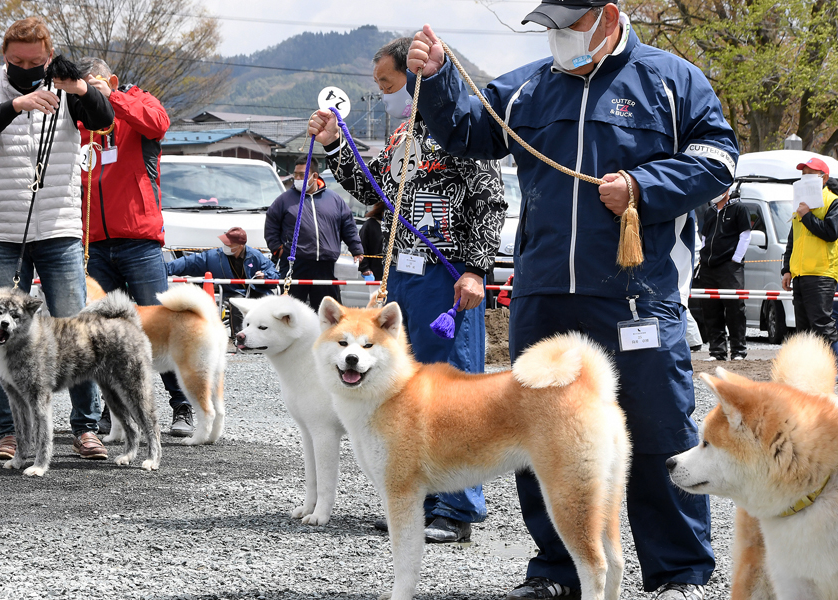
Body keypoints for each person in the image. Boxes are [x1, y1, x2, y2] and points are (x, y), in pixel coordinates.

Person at [407, 0, 738, 597]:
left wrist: (645, 184)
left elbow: (718, 161)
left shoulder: (673, 80)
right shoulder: (530, 87)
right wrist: (434, 80)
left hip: (637, 295)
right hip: (546, 293)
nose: (556, 38)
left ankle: (679, 573)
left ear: (608, 18)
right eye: (549, 28)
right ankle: (558, 570)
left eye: (567, 26)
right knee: (543, 434)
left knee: (660, 428)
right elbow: (464, 131)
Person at [308, 36, 508, 544]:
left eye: (388, 84)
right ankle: (419, 495)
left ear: (418, 77)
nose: (383, 94)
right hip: (404, 277)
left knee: (451, 386)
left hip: (448, 275)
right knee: (407, 391)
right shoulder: (404, 135)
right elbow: (374, 188)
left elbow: (489, 200)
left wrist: (477, 269)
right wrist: (334, 142)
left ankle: (458, 507)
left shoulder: (463, 128)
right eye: (377, 86)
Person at [0, 17, 114, 461]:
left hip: (59, 228)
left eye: (35, 62)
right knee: (0, 331)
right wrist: (19, 104)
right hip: (5, 231)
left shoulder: (69, 90)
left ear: (48, 57)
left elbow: (104, 119)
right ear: (4, 58)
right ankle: (8, 433)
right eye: (16, 61)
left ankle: (85, 428)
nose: (25, 68)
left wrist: (83, 87)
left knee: (76, 328)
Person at [72, 57, 193, 439]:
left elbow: (158, 123)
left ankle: (183, 406)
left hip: (139, 240)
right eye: (81, 88)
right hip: (93, 244)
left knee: (159, 325)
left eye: (93, 85)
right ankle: (112, 412)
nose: (87, 94)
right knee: (104, 334)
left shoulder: (138, 102)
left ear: (111, 80)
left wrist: (113, 99)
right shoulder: (76, 126)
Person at [264, 157, 364, 310]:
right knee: (290, 312)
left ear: (315, 176)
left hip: (326, 265)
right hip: (295, 264)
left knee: (328, 312)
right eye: (295, 174)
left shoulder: (334, 199)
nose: (297, 178)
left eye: (301, 174)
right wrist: (278, 249)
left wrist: (356, 249)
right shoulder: (284, 200)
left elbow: (348, 226)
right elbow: (271, 226)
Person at [166, 226, 280, 336]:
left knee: (266, 302)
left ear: (240, 245)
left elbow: (274, 275)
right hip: (232, 292)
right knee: (237, 303)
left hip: (257, 290)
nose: (225, 245)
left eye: (228, 244)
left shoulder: (256, 256)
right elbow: (189, 262)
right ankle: (239, 339)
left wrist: (265, 276)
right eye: (224, 243)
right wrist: (164, 269)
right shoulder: (213, 256)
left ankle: (267, 338)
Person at [782, 157, 838, 356]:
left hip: (822, 273)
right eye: (803, 174)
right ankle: (808, 370)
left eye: (810, 174)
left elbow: (831, 233)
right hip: (799, 274)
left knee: (822, 325)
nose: (805, 178)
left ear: (824, 178)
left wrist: (807, 216)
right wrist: (787, 269)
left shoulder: (833, 202)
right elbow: (793, 240)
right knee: (803, 330)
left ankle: (832, 368)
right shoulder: (800, 205)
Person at [696, 190, 751, 361]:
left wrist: (736, 259)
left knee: (735, 308)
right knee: (711, 309)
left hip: (729, 267)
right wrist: (702, 258)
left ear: (727, 190)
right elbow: (705, 237)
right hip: (708, 266)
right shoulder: (709, 211)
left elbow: (745, 235)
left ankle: (738, 350)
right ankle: (717, 351)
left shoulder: (739, 208)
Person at [358, 202, 386, 280]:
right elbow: (362, 247)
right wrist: (365, 268)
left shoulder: (395, 227)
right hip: (375, 272)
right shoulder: (370, 225)